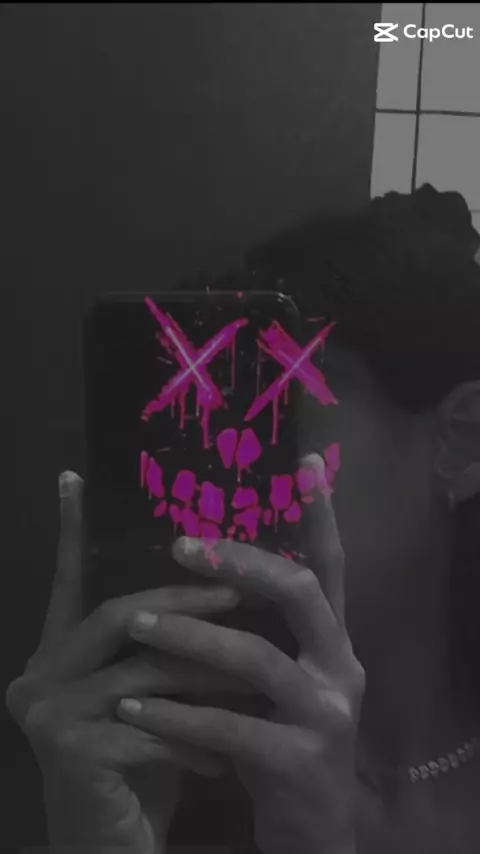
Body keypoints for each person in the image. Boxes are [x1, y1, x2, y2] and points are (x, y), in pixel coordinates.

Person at [6, 183, 480, 854]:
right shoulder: (156, 763)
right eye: (214, 413)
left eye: (284, 403)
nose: (230, 465)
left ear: (462, 441)